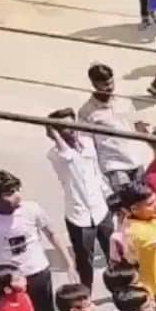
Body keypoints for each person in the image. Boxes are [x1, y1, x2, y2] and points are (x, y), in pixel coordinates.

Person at [0, 170, 70, 311]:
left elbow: (52, 234)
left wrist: (69, 262)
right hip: (8, 280)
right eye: (9, 193)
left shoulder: (32, 209)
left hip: (37, 273)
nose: (17, 196)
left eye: (17, 190)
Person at [45, 109, 113, 290]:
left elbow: (96, 172)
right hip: (79, 215)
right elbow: (69, 158)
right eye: (64, 128)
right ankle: (86, 294)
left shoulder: (88, 144)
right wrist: (55, 135)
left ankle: (119, 290)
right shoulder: (55, 154)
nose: (71, 130)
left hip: (100, 209)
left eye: (72, 124)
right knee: (84, 261)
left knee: (113, 254)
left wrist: (108, 195)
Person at [78, 63, 152, 191]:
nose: (110, 87)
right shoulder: (86, 112)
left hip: (135, 160)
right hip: (114, 166)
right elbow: (87, 145)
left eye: (112, 82)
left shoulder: (124, 101)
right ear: (95, 84)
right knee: (126, 205)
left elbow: (138, 125)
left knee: (144, 205)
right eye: (105, 84)